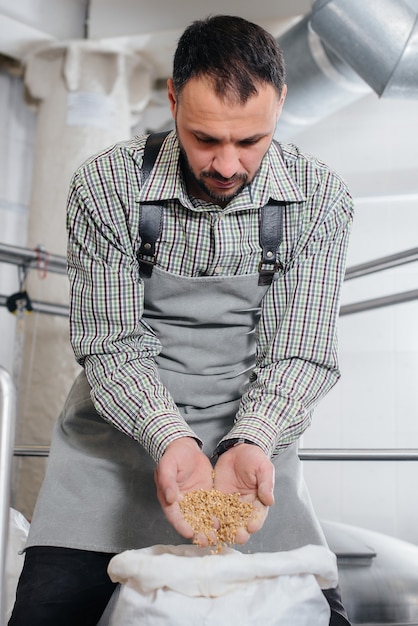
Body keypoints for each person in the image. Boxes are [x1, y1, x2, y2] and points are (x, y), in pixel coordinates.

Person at [9, 14, 353, 626]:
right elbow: (112, 345)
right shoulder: (106, 186)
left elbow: (299, 353)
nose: (226, 164)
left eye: (250, 142)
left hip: (250, 458)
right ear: (172, 97)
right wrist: (172, 439)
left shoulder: (320, 200)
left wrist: (252, 440)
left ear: (280, 107)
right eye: (204, 138)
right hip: (107, 457)